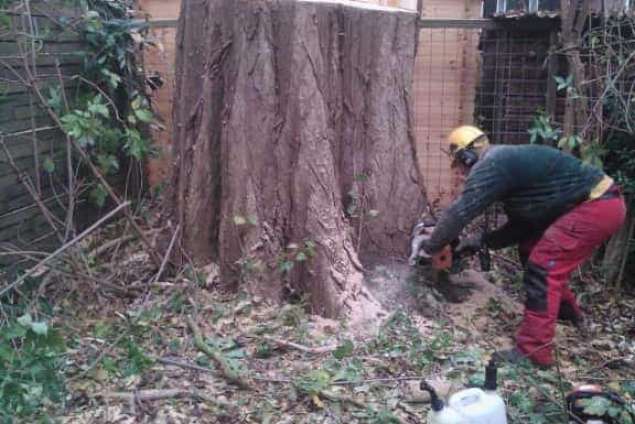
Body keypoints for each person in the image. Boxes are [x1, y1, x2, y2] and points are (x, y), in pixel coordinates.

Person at [416, 125, 626, 367]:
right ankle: (565, 315)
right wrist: (481, 242)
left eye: (460, 166)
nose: (461, 173)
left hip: (596, 206)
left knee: (543, 267)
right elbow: (522, 226)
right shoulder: (505, 163)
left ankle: (534, 354)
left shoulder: (492, 164)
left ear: (467, 156)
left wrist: (429, 248)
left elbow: (460, 212)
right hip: (597, 204)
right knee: (530, 249)